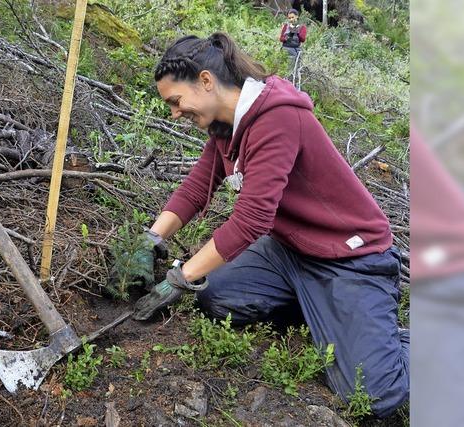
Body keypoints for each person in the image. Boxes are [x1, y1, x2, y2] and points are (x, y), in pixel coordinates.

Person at [128, 32, 409, 417]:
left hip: (350, 259)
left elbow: (252, 219)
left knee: (373, 395)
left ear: (206, 81)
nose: (175, 113)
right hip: (289, 252)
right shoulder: (226, 124)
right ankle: (327, 314)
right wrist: (151, 238)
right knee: (216, 297)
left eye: (176, 102)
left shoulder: (278, 116)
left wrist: (180, 278)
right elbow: (197, 187)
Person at [279, 8, 307, 72]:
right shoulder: (286, 26)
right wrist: (287, 37)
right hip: (285, 50)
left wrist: (296, 32)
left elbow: (303, 39)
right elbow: (281, 39)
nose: (291, 19)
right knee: (283, 69)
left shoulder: (302, 27)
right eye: (289, 18)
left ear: (297, 16)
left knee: (294, 70)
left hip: (295, 50)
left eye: (292, 17)